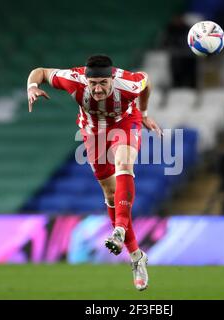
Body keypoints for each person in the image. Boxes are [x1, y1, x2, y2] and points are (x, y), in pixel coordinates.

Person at [26, 55, 162, 291]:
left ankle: (119, 229)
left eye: (103, 83)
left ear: (112, 79)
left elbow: (146, 82)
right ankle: (136, 256)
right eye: (93, 84)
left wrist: (145, 112)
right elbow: (41, 71)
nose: (98, 89)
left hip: (125, 123)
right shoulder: (74, 79)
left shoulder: (127, 83)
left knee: (124, 163)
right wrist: (32, 87)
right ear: (86, 81)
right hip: (93, 132)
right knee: (110, 195)